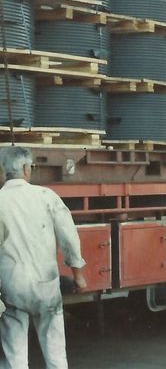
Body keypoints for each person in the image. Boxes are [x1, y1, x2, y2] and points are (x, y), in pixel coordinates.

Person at [0, 146, 87, 368]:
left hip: (11, 286)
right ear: (27, 168)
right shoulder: (46, 196)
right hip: (46, 284)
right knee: (56, 353)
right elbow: (69, 238)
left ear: (3, 170)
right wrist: (78, 275)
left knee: (15, 356)